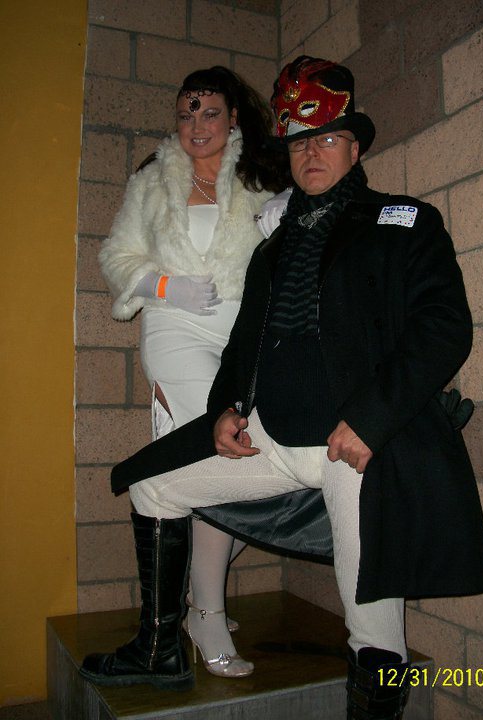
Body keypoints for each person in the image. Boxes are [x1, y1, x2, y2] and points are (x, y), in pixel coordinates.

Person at [82, 56, 483, 719]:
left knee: (371, 623)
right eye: (301, 143)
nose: (312, 153)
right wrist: (225, 409)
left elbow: (444, 331)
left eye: (328, 138)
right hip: (273, 439)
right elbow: (243, 345)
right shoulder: (270, 248)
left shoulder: (404, 223)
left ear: (355, 148)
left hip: (352, 448)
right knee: (152, 484)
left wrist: (372, 419)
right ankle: (160, 649)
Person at [95, 65, 290, 681]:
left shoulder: (262, 176)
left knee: (247, 461)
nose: (196, 124)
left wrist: (285, 215)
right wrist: (163, 286)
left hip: (243, 336)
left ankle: (196, 598)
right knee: (216, 451)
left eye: (209, 112)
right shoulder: (153, 179)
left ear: (233, 117)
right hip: (175, 328)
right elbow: (116, 255)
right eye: (186, 113)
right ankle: (206, 613)